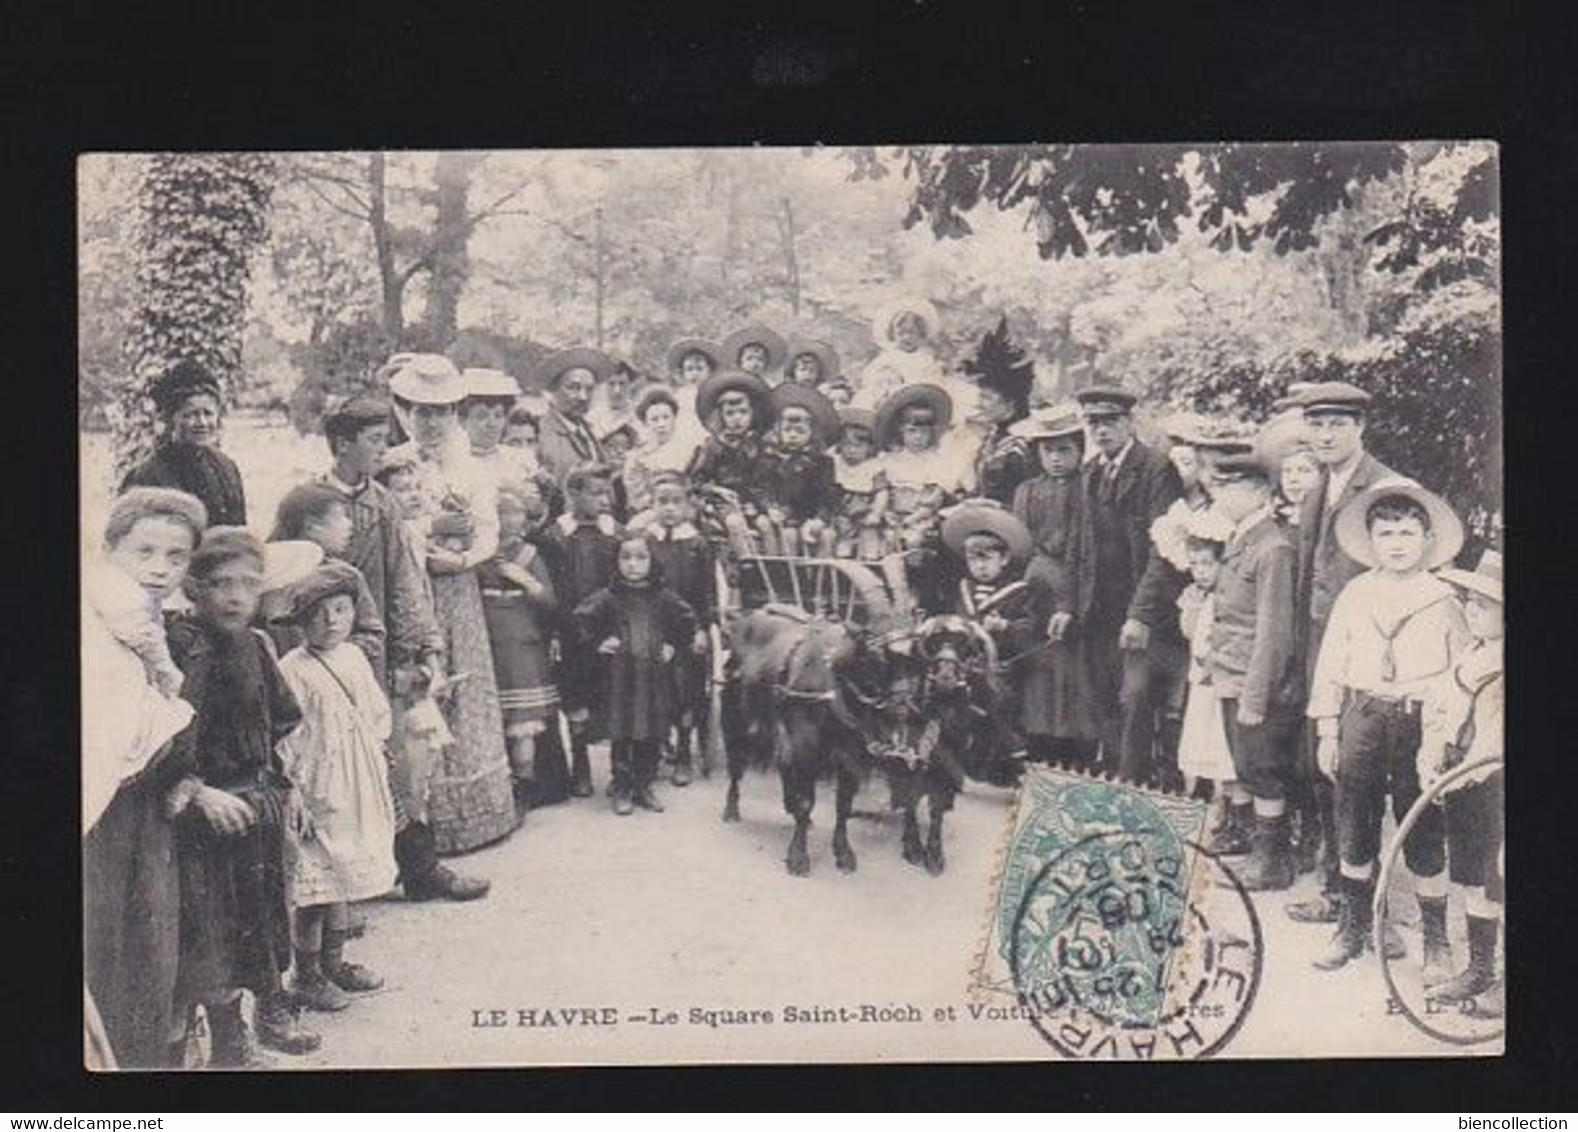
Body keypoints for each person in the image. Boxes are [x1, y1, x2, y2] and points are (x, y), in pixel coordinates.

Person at [163, 527, 317, 1064]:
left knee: (265, 910)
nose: (234, 597)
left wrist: (284, 785)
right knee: (212, 924)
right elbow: (167, 734)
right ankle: (228, 1040)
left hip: (259, 799)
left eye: (248, 586)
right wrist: (197, 788)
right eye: (221, 584)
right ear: (194, 589)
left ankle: (270, 1010)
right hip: (207, 811)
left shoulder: (256, 646)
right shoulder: (182, 648)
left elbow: (278, 720)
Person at [1307, 481, 1468, 975]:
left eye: (1406, 532)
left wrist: (1442, 739)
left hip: (1422, 723)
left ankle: (1436, 941)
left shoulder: (1444, 598)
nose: (1396, 543)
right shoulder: (1357, 593)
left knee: (1422, 830)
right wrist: (1329, 729)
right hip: (1363, 716)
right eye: (1385, 533)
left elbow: (1459, 674)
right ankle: (1353, 927)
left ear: (1426, 539)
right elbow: (1332, 662)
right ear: (1371, 540)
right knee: (1355, 824)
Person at [83, 489, 205, 1068]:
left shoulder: (161, 617)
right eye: (145, 551)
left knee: (151, 936)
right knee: (101, 934)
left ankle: (147, 1059)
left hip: (145, 793)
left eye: (176, 556)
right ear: (112, 551)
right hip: (103, 798)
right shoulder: (106, 611)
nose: (159, 566)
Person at [386, 354, 515, 860]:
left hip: (458, 589)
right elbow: (390, 527)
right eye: (421, 411)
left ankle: (476, 814)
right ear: (404, 411)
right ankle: (417, 818)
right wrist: (427, 537)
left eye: (440, 411)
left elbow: (488, 530)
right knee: (421, 688)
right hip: (410, 585)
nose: (430, 421)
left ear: (454, 414)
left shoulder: (471, 467)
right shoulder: (393, 464)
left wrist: (462, 557)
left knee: (464, 685)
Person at [1286, 381, 1405, 927]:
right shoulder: (1317, 488)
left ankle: (1366, 903)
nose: (1326, 434)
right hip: (1319, 648)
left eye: (1338, 423)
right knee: (1321, 766)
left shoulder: (1384, 488)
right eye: (1317, 423)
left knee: (1360, 776)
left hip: (1367, 655)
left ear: (1361, 428)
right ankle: (1337, 885)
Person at [273, 562, 399, 1013]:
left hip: (355, 779)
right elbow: (285, 735)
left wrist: (376, 751)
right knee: (316, 887)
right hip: (316, 784)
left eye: (342, 610)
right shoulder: (293, 669)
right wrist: (293, 791)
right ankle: (306, 974)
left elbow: (372, 713)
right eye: (319, 614)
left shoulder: (354, 658)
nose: (332, 622)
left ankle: (334, 962)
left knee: (344, 873)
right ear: (301, 621)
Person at [1076, 385, 1185, 785]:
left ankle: (1132, 781)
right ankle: (1112, 774)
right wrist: (1069, 606)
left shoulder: (1156, 469)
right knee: (1102, 694)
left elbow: (1165, 551)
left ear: (1129, 422)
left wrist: (1140, 615)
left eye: (1110, 421)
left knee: (1135, 697)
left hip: (1145, 610)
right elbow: (1081, 544)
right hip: (1098, 607)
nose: (1101, 431)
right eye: (1093, 423)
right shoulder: (1090, 472)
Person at [1205, 452, 1303, 891]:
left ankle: (1271, 865)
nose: (1220, 493)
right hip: (1231, 672)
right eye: (1220, 485)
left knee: (1262, 770)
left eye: (1232, 487)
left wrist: (1255, 695)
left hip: (1252, 679)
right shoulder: (1245, 537)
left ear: (1261, 494)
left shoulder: (1273, 546)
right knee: (1246, 766)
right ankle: (1254, 850)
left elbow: (1273, 630)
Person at [1419, 549, 1504, 1008]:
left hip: (1492, 784)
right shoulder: (1470, 654)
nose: (1472, 611)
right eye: (1469, 602)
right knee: (1473, 875)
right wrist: (1430, 756)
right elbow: (1440, 711)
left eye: (1485, 606)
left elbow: (1492, 739)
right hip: (1460, 782)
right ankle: (1480, 969)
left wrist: (1461, 773)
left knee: (1501, 876)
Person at [315, 396, 444, 695]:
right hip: (322, 640)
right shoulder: (310, 500)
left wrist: (415, 651)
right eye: (374, 439)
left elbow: (404, 579)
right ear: (343, 444)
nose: (383, 448)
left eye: (385, 439)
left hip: (376, 646)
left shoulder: (383, 503)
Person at [574, 535, 699, 815]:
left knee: (652, 732)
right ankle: (622, 786)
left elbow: (687, 620)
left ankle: (644, 785)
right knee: (622, 733)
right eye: (626, 558)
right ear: (616, 562)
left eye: (641, 558)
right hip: (620, 679)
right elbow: (580, 620)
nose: (633, 564)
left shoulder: (663, 597)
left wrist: (673, 645)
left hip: (654, 677)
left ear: (652, 561)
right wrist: (599, 642)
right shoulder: (608, 596)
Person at [1010, 404, 1099, 768]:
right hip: (1037, 589)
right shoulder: (1027, 491)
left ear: (1080, 450)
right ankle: (1037, 744)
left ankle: (1076, 748)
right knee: (1039, 673)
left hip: (1077, 585)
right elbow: (1018, 541)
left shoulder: (1089, 489)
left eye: (1065, 450)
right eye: (1049, 451)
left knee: (1075, 673)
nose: (1057, 459)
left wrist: (1070, 594)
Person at [938, 501, 1038, 786]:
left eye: (987, 558)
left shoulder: (1018, 591)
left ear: (1004, 559)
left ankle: (1015, 766)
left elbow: (1030, 627)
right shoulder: (964, 589)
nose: (980, 566)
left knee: (1000, 710)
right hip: (966, 664)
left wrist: (1005, 626)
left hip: (1004, 665)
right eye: (973, 559)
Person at [477, 481, 561, 812]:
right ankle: (503, 786)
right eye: (499, 513)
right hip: (488, 643)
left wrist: (525, 581)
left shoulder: (529, 555)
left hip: (522, 643)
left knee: (524, 724)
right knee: (495, 717)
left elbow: (550, 600)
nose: (506, 520)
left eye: (513, 513)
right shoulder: (479, 555)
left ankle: (526, 785)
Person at [543, 464, 623, 798]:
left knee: (614, 695)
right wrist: (560, 631)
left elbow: (623, 583)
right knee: (575, 698)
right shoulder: (555, 536)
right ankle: (580, 764)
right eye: (596, 493)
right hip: (571, 631)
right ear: (573, 495)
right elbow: (551, 588)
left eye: (607, 493)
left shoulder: (616, 533)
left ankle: (622, 770)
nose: (604, 500)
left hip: (608, 630)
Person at [631, 471, 716, 786]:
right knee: (654, 688)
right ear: (652, 504)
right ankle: (654, 749)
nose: (669, 508)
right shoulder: (646, 541)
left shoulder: (697, 544)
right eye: (662, 502)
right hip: (653, 627)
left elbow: (707, 593)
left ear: (688, 505)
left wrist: (702, 630)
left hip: (685, 630)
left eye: (676, 502)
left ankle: (683, 751)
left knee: (685, 691)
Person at [264, 483, 388, 670]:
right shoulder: (269, 576)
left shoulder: (345, 576)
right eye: (340, 517)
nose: (349, 524)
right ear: (311, 526)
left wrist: (332, 652)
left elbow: (372, 634)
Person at [121, 359, 246, 527]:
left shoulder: (227, 467)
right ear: (171, 419)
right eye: (191, 414)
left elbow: (239, 532)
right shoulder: (146, 476)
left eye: (208, 413)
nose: (202, 422)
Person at [1173, 509, 1239, 820]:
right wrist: (1193, 607)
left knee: (1222, 743)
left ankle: (1226, 806)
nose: (1200, 571)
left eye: (1207, 564)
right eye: (1194, 564)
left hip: (1220, 678)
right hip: (1200, 680)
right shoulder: (1194, 596)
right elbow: (1188, 633)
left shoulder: (1228, 597)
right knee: (1202, 738)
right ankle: (1204, 796)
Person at [686, 369, 776, 553]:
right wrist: (717, 490)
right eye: (730, 413)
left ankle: (774, 570)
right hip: (721, 502)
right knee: (735, 523)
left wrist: (762, 505)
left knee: (766, 524)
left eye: (743, 412)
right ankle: (748, 567)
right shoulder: (713, 446)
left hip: (751, 501)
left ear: (752, 413)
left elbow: (763, 480)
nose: (737, 418)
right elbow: (696, 480)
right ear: (721, 417)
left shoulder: (757, 445)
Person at [758, 382, 840, 556]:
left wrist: (820, 519)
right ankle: (788, 578)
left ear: (811, 433)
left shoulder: (822, 462)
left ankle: (820, 579)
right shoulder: (769, 459)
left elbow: (827, 495)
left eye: (800, 431)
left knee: (827, 536)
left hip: (810, 517)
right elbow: (763, 489)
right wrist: (770, 508)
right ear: (778, 431)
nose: (793, 435)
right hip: (783, 518)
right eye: (787, 430)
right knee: (789, 535)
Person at [962, 317, 1036, 507]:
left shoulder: (1025, 445)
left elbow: (1031, 505)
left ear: (1010, 403)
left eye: (986, 397)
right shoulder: (994, 437)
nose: (979, 404)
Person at [535, 347, 618, 496]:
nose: (583, 397)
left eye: (589, 389)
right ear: (554, 389)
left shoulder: (589, 432)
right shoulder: (541, 433)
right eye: (573, 388)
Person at [623, 386, 697, 517]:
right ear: (645, 423)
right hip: (649, 514)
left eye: (666, 417)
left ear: (674, 419)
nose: (661, 424)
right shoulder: (636, 458)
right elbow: (636, 498)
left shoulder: (689, 451)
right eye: (654, 419)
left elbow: (694, 488)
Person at [830, 407, 891, 560]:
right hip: (840, 507)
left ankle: (871, 558)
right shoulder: (835, 462)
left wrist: (876, 512)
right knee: (841, 527)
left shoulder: (873, 466)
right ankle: (844, 550)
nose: (851, 450)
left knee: (870, 529)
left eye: (858, 446)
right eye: (847, 445)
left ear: (869, 448)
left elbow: (882, 493)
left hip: (865, 507)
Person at [721, 324, 788, 384]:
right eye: (749, 359)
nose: (755, 363)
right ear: (740, 361)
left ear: (766, 363)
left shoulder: (768, 384)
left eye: (760, 359)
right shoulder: (733, 382)